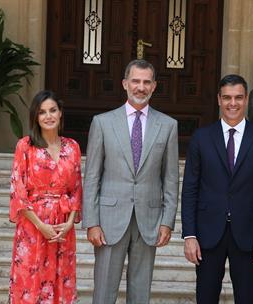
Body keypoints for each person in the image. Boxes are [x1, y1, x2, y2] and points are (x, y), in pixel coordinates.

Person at [82, 59, 179, 303]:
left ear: (154, 86)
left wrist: (167, 222)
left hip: (148, 220)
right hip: (109, 221)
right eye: (135, 81)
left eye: (146, 82)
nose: (141, 87)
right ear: (125, 84)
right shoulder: (102, 123)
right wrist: (91, 221)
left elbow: (170, 179)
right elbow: (92, 176)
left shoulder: (168, 126)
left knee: (140, 293)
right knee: (104, 292)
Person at [181, 74, 253, 303]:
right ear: (218, 99)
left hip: (248, 235)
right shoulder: (201, 137)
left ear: (246, 100)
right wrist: (190, 235)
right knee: (205, 298)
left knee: (246, 298)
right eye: (227, 97)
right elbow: (189, 190)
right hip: (207, 233)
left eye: (238, 97)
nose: (232, 103)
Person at [8, 90, 82, 303]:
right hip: (33, 225)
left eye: (52, 110)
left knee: (61, 280)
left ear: (60, 114)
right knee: (31, 281)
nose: (48, 116)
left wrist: (69, 224)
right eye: (42, 112)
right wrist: (41, 225)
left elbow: (76, 188)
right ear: (35, 117)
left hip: (62, 227)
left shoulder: (73, 146)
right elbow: (18, 191)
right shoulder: (26, 146)